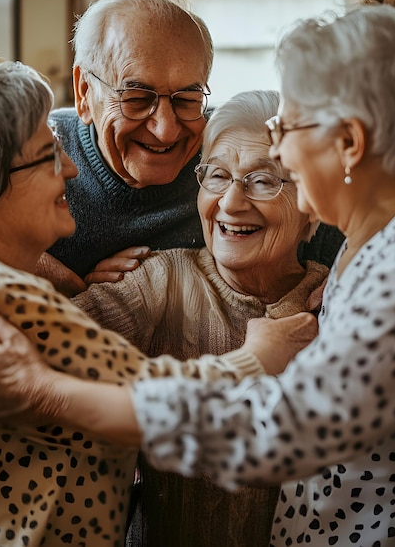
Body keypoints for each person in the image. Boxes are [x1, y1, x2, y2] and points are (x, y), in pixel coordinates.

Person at [0, 4, 395, 546]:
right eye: (219, 176)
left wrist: (48, 392)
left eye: (285, 136)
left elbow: (274, 434)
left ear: (349, 144)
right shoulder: (386, 235)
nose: (279, 153)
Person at [0, 55, 312, 547]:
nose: (74, 168)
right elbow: (154, 401)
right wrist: (257, 359)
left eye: (265, 180)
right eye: (47, 154)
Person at [0, 0, 344, 318]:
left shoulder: (227, 151)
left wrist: (352, 271)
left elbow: (331, 224)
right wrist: (35, 270)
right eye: (136, 97)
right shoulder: (34, 156)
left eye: (187, 97)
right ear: (83, 92)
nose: (165, 128)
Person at [72, 89, 328, 547]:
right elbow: (48, 349)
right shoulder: (162, 283)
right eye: (217, 176)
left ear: (312, 206)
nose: (230, 203)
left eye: (264, 181)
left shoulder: (341, 300)